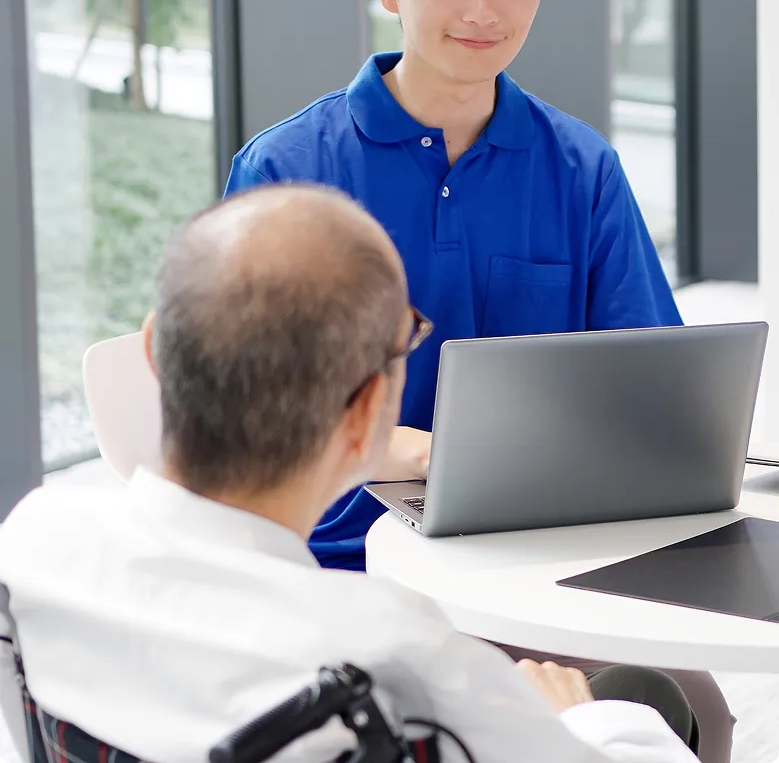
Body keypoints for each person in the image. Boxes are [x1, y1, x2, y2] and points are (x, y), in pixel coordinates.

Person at [221, 0, 734, 761]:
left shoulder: (581, 167)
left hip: (541, 567)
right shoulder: (289, 170)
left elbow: (653, 394)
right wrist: (435, 454)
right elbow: (256, 421)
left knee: (694, 704)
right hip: (345, 572)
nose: (481, 10)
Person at [0, 186, 698, 763]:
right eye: (408, 339)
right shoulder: (392, 655)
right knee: (646, 699)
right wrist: (582, 721)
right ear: (367, 410)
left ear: (154, 350)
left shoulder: (32, 542)